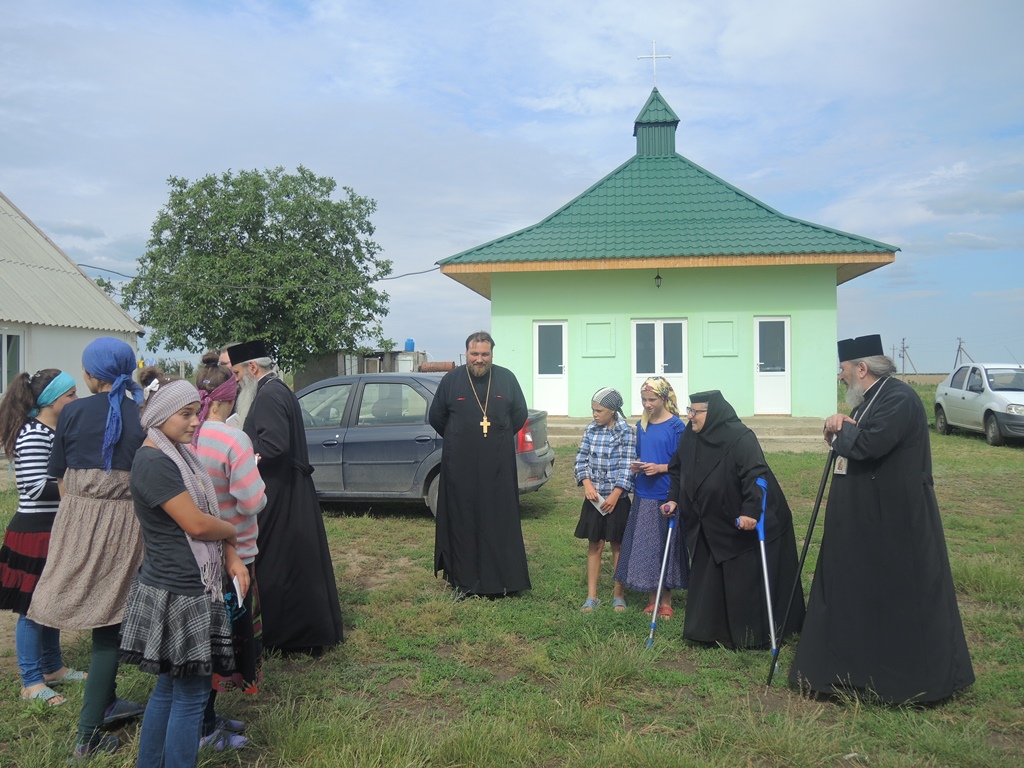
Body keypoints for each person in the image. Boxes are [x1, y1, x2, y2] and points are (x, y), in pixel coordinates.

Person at [788, 335, 974, 703]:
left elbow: (868, 445)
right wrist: (843, 426)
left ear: (862, 368)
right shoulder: (872, 399)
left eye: (843, 370)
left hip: (896, 521)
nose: (840, 378)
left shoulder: (898, 398)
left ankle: (899, 682)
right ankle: (850, 673)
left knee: (896, 598)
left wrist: (841, 427)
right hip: (868, 520)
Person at [119, 368, 248, 768]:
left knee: (168, 690)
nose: (196, 422)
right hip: (182, 591)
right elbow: (195, 523)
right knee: (190, 696)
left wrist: (229, 547)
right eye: (187, 415)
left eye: (198, 412)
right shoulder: (155, 462)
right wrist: (231, 531)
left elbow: (201, 519)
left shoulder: (174, 456)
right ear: (160, 416)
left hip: (176, 584)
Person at [28, 337, 147, 759]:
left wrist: (81, 512)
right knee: (111, 624)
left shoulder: (73, 412)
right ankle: (90, 729)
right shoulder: (142, 413)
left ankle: (96, 720)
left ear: (91, 375)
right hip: (126, 522)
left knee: (103, 619)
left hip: (77, 518)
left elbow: (59, 475)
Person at [229, 340, 344, 654]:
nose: (236, 380)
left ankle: (290, 637)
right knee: (295, 562)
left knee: (282, 564)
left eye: (237, 373)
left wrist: (242, 455)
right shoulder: (277, 390)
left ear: (253, 368)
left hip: (281, 491)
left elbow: (275, 446)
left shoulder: (267, 395)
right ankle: (302, 634)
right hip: (289, 489)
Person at [666, 390, 804, 649]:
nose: (690, 416)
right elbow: (677, 469)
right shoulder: (690, 435)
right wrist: (674, 498)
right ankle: (708, 631)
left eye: (695, 411)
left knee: (743, 579)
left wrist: (751, 512)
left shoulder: (740, 437)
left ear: (713, 413)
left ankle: (750, 636)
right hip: (709, 521)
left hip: (744, 520)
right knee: (710, 574)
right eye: (689, 410)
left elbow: (756, 475)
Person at [193, 352, 267, 750]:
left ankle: (206, 715)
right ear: (228, 396)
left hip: (193, 552)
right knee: (223, 641)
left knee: (203, 639)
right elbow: (251, 500)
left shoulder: (187, 435)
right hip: (234, 549)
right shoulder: (233, 439)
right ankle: (204, 728)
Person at [0, 369, 84, 707]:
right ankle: (31, 681)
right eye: (70, 396)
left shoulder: (52, 430)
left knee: (52, 603)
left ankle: (53, 668)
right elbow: (34, 488)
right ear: (51, 401)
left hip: (52, 528)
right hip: (34, 532)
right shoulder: (34, 433)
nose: (75, 402)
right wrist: (79, 483)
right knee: (33, 609)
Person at [429, 331, 531, 597]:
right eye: (475, 354)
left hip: (498, 467)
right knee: (463, 521)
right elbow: (436, 417)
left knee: (499, 520)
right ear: (466, 354)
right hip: (460, 468)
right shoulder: (451, 381)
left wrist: (495, 439)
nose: (480, 359)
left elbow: (519, 414)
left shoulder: (507, 379)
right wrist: (461, 439)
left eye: (485, 354)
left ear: (492, 355)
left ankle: (504, 581)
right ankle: (464, 582)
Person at [614, 377, 688, 619]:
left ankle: (666, 600)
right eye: (644, 399)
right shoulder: (641, 426)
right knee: (647, 546)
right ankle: (652, 598)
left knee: (665, 546)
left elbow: (683, 464)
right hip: (643, 494)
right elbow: (640, 454)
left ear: (664, 398)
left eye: (652, 399)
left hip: (666, 494)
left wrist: (661, 468)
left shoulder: (677, 427)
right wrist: (639, 468)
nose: (647, 404)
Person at [573, 387, 636, 612]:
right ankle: (592, 596)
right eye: (593, 410)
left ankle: (618, 594)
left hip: (616, 499)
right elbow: (580, 460)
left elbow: (627, 466)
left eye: (599, 410)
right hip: (595, 500)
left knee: (618, 545)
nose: (595, 415)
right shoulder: (590, 430)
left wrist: (617, 494)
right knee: (595, 545)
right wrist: (587, 485)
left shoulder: (626, 432)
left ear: (612, 410)